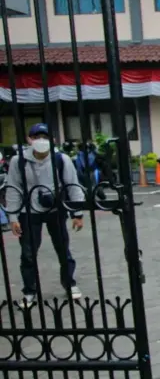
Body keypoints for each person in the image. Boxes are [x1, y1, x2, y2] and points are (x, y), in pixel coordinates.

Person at [5, 123, 85, 306]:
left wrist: (77, 213)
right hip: (29, 211)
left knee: (63, 248)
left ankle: (69, 283)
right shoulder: (19, 161)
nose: (41, 141)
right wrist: (13, 217)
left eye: (45, 136)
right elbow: (13, 190)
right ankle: (30, 291)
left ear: (52, 140)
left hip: (55, 209)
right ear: (29, 139)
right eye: (36, 137)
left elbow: (73, 185)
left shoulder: (61, 159)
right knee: (28, 253)